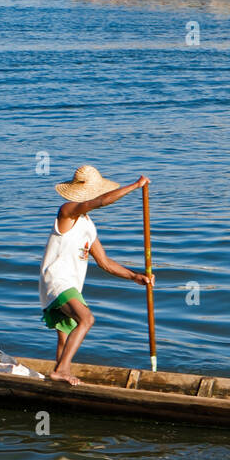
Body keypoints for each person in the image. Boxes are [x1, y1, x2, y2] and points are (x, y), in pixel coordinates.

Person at [39, 165, 154, 385]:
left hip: (69, 285)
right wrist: (135, 186)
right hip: (57, 281)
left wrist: (135, 277)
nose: (99, 196)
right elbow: (100, 202)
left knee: (66, 333)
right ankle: (62, 370)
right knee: (87, 319)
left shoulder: (88, 226)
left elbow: (105, 262)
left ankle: (59, 377)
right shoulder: (67, 212)